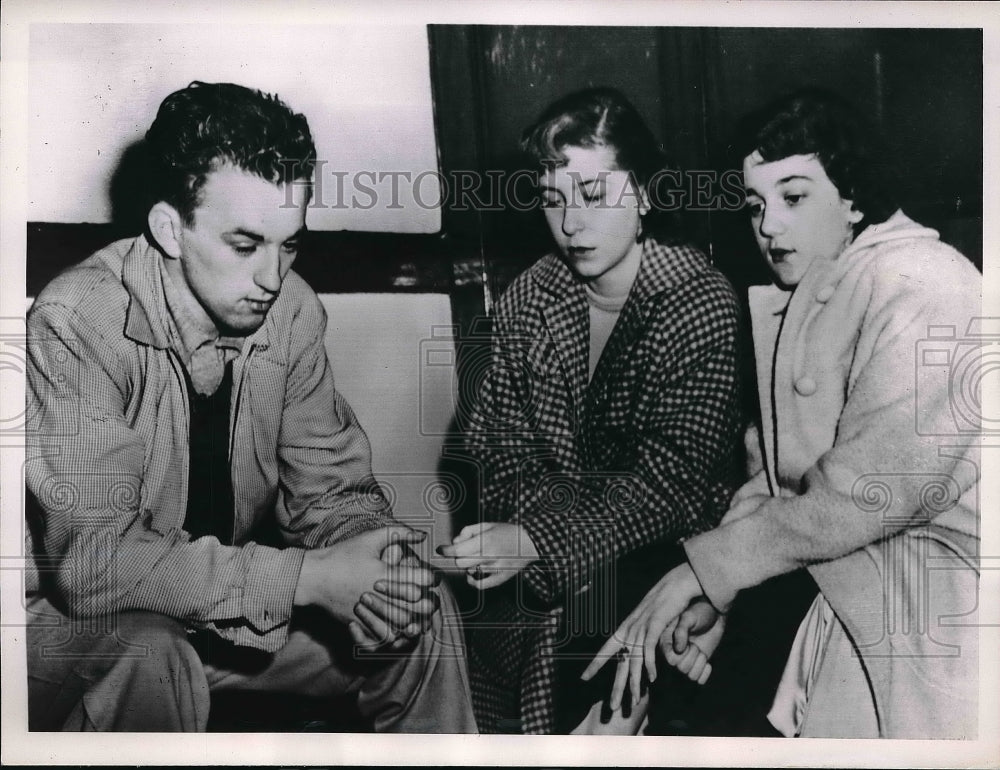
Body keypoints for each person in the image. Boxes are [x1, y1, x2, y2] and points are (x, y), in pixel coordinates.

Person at [23, 81, 477, 733]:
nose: (273, 277)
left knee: (423, 619)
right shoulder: (78, 319)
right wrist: (309, 578)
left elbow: (332, 497)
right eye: (245, 245)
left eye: (289, 244)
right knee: (154, 652)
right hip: (66, 632)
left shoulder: (290, 313)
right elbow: (95, 565)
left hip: (207, 613)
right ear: (168, 230)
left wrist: (372, 563)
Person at [584, 89, 981, 739]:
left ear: (852, 195)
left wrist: (703, 571)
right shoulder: (821, 291)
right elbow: (777, 483)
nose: (768, 226)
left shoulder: (925, 283)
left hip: (949, 623)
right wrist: (717, 592)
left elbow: (859, 499)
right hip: (861, 600)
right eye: (755, 205)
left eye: (793, 197)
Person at [438, 87, 743, 734]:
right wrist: (543, 543)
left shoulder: (699, 300)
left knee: (588, 635)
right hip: (546, 572)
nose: (571, 223)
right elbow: (495, 455)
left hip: (669, 564)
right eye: (554, 200)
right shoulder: (529, 298)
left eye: (595, 195)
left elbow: (674, 488)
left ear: (646, 194)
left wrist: (541, 542)